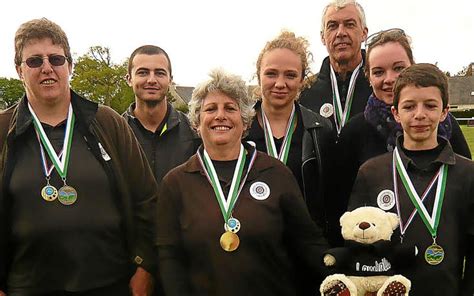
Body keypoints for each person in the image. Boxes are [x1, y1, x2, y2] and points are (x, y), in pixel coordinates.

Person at [0, 18, 157, 295]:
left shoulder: (107, 123)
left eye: (56, 59)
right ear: (19, 70)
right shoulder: (3, 131)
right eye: (34, 61)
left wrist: (144, 270)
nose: (47, 68)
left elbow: (147, 200)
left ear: (69, 66)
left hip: (110, 285)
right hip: (27, 287)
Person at [156, 69, 328, 296]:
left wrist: (342, 273)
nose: (220, 116)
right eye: (210, 109)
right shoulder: (176, 182)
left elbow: (308, 243)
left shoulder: (276, 173)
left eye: (230, 108)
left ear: (245, 121)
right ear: (197, 122)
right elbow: (170, 258)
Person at [347, 63, 474, 295]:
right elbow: (357, 246)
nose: (420, 114)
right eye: (409, 106)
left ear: (445, 112)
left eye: (430, 105)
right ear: (396, 113)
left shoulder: (468, 174)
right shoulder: (371, 172)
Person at [336, 29, 471, 225]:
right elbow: (340, 206)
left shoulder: (446, 124)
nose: (390, 79)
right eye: (379, 72)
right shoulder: (353, 133)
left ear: (412, 67)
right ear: (369, 77)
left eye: (398, 68)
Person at [246, 31, 335, 241]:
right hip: (251, 245)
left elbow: (327, 198)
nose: (280, 83)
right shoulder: (241, 128)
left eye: (290, 75)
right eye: (271, 73)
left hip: (303, 246)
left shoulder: (320, 129)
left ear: (302, 79)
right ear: (258, 75)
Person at [123, 45, 200, 185]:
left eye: (160, 73)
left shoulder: (194, 131)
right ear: (129, 79)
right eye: (143, 73)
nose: (152, 80)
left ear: (170, 79)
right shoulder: (115, 133)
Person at [299, 0, 371, 136]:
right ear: (322, 37)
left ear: (364, 33)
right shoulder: (306, 91)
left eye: (350, 25)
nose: (340, 33)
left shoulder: (380, 86)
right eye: (332, 26)